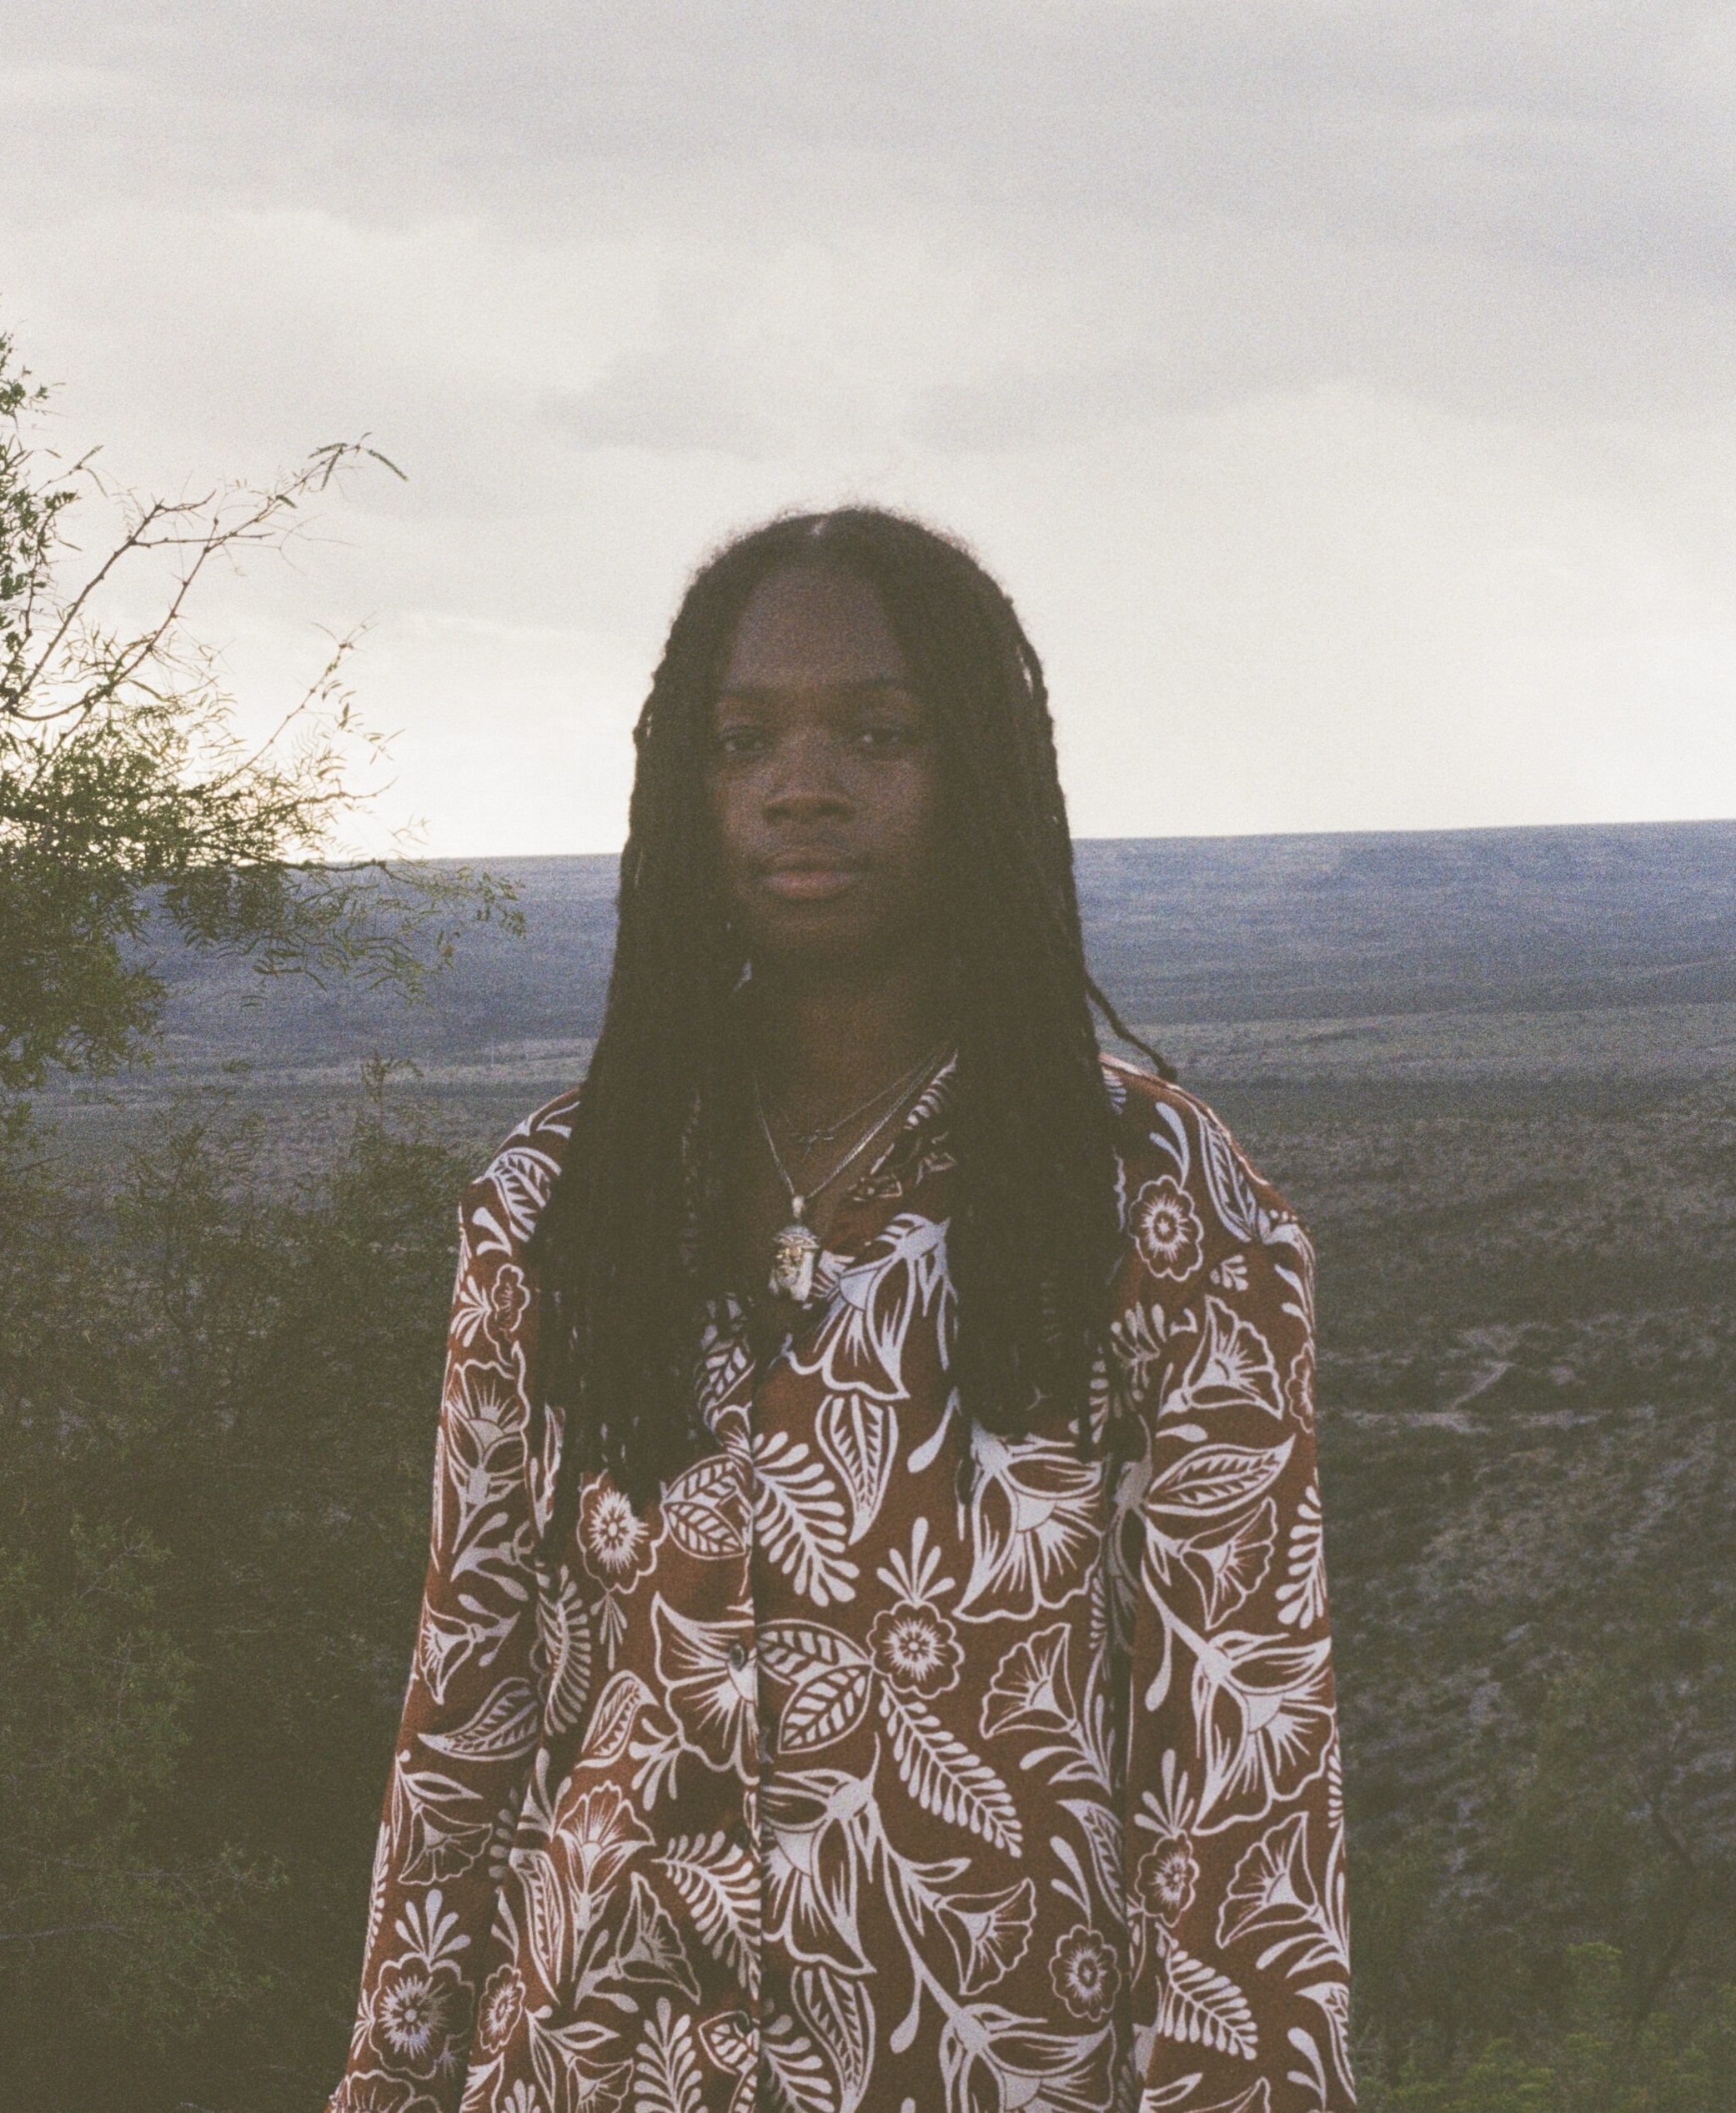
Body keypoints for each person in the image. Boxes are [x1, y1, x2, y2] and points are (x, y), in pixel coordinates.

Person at [327, 508, 1351, 2113]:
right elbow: (466, 1721)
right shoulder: (558, 1206)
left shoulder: (1156, 1205)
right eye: (745, 741)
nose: (801, 785)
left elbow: (1243, 1793)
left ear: (980, 776)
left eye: (878, 733)